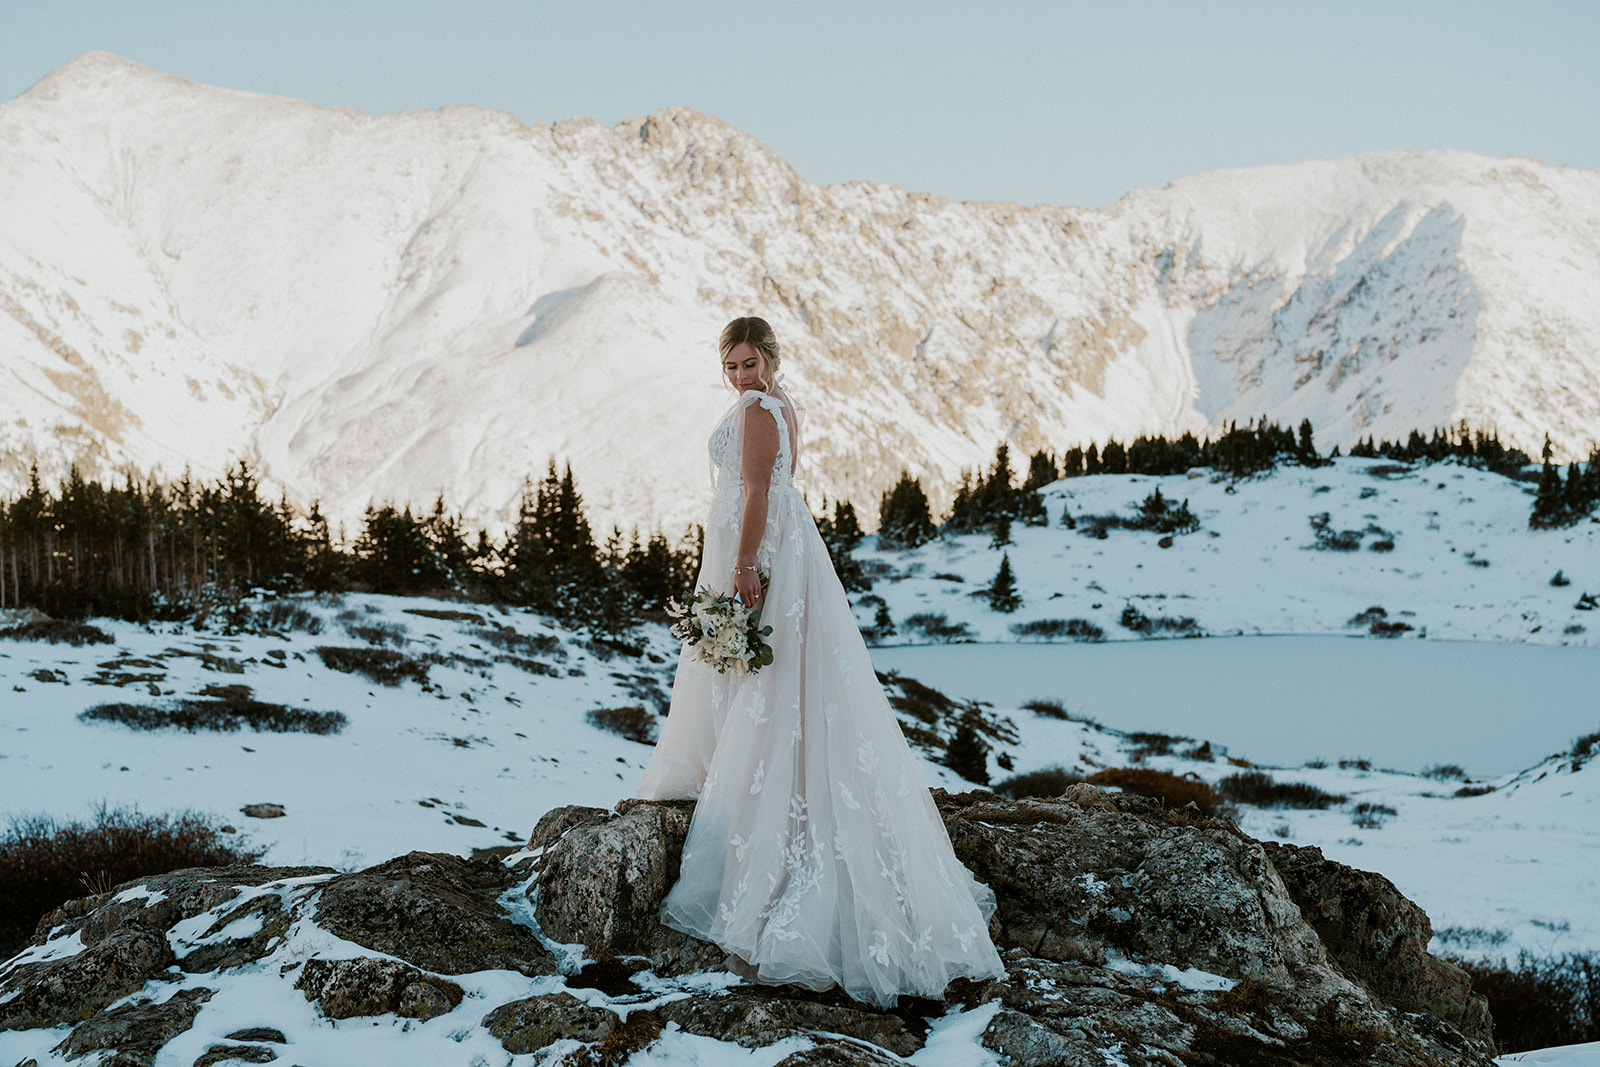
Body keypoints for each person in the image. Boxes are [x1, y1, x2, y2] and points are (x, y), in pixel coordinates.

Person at [635, 316, 1005, 1007]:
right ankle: (751, 780)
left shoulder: (759, 409)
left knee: (765, 679)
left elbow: (757, 491)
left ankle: (756, 803)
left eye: (750, 362)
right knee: (770, 678)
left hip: (758, 550)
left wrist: (746, 562)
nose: (741, 376)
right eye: (732, 365)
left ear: (771, 359)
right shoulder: (778, 405)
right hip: (772, 546)